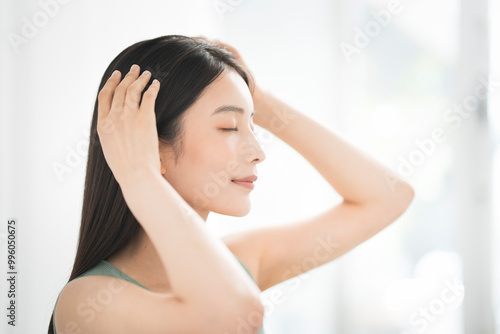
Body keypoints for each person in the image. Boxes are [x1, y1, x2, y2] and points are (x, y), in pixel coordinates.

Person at [49, 34, 415, 334]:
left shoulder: (238, 262)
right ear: (150, 144)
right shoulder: (86, 304)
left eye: (252, 127)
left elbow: (388, 196)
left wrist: (260, 100)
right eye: (228, 127)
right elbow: (230, 318)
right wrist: (138, 175)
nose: (258, 152)